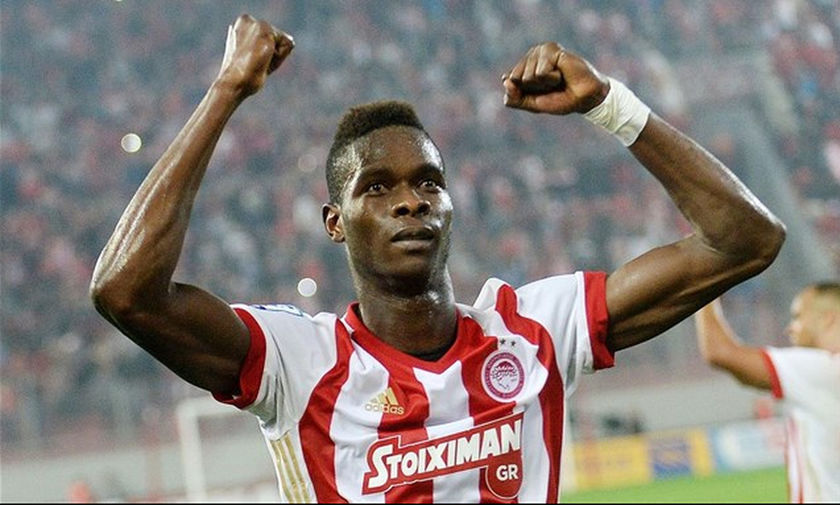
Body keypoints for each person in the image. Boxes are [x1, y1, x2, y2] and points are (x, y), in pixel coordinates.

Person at [89, 14, 786, 503]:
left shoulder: (535, 331)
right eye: (377, 187)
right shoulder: (298, 363)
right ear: (335, 223)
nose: (410, 202)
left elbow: (747, 239)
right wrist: (225, 92)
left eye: (429, 183)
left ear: (451, 205)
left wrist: (610, 105)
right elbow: (125, 291)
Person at [694, 286, 840, 503]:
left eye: (798, 317)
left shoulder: (825, 369)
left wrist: (703, 290)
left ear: (828, 319)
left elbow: (720, 352)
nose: (790, 328)